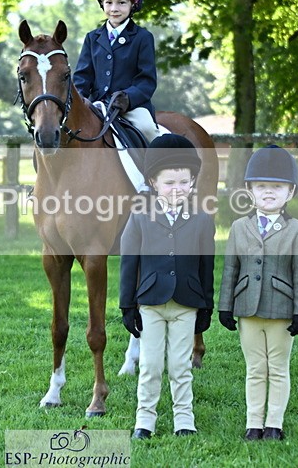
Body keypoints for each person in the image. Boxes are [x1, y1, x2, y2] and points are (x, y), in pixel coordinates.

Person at [119, 134, 215, 439]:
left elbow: (206, 267)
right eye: (170, 183)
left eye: (184, 182)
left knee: (179, 365)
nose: (177, 189)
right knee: (149, 366)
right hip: (151, 303)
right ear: (154, 182)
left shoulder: (202, 219)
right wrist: (127, 305)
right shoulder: (139, 217)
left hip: (186, 303)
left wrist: (206, 307)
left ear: (192, 183)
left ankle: (184, 420)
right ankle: (144, 421)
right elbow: (128, 264)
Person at [218, 145, 298, 441]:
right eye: (261, 187)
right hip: (247, 308)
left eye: (277, 187)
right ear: (250, 190)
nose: (269, 193)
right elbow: (230, 270)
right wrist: (225, 306)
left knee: (278, 368)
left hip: (281, 311)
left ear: (290, 193)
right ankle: (253, 424)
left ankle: (274, 424)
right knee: (255, 368)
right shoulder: (238, 228)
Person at [74, 0, 161, 142]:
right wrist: (78, 101)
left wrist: (128, 98)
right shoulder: (92, 38)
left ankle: (157, 168)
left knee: (148, 130)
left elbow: (147, 81)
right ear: (102, 4)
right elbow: (82, 77)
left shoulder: (143, 37)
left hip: (131, 108)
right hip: (96, 106)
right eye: (109, 3)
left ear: (133, 3)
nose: (114, 8)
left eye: (121, 2)